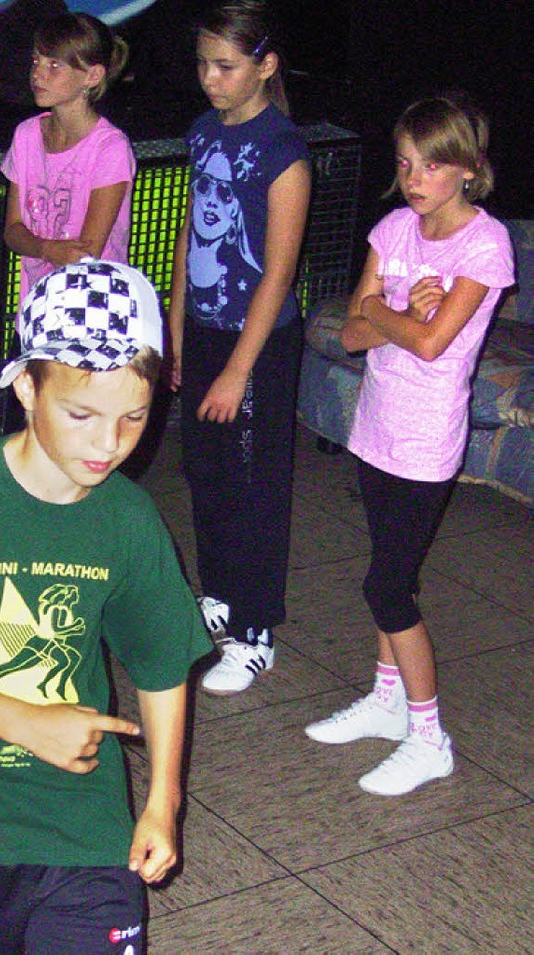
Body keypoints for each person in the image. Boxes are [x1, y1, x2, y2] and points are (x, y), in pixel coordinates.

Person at [0, 259, 212, 954]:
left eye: (134, 416)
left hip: (81, 822)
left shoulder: (126, 517)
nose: (109, 444)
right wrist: (25, 722)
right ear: (27, 386)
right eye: (82, 414)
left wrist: (164, 801)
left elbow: (161, 661)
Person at [305, 94, 514, 796]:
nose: (414, 177)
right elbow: (351, 331)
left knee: (387, 585)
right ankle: (389, 699)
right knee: (391, 570)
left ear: (467, 169)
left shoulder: (484, 244)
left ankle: (430, 738)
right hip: (376, 426)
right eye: (405, 162)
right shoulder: (394, 228)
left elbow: (430, 344)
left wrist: (388, 315)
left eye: (431, 164)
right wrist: (398, 312)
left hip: (427, 438)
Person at [168, 0, 311, 695]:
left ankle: (256, 629)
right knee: (207, 470)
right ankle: (220, 591)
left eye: (224, 66)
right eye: (203, 64)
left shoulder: (284, 150)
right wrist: (175, 331)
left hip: (259, 342)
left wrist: (237, 368)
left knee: (254, 485)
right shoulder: (202, 132)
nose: (210, 79)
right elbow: (187, 236)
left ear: (265, 66)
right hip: (206, 329)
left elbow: (278, 270)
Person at [1, 11, 135, 306]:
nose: (38, 73)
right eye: (36, 60)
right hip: (36, 309)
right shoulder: (25, 135)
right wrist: (47, 248)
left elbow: (84, 255)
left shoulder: (110, 149)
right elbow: (12, 231)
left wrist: (44, 248)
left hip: (90, 310)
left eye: (54, 65)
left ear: (92, 76)